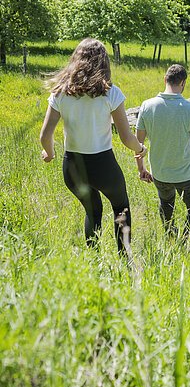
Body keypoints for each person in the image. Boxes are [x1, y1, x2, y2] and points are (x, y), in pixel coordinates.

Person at [39, 38, 147, 253]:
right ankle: (125, 259)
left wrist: (49, 153)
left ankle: (93, 261)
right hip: (102, 164)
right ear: (103, 62)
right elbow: (126, 137)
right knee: (121, 208)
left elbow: (45, 135)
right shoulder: (110, 93)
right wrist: (140, 149)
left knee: (93, 211)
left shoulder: (60, 92)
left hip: (72, 166)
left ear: (76, 60)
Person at [135, 64, 190, 238]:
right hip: (186, 174)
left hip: (159, 173)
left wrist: (141, 169)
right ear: (183, 83)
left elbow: (137, 142)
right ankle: (187, 240)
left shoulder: (147, 106)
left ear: (165, 79)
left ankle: (171, 236)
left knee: (166, 205)